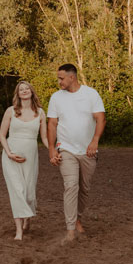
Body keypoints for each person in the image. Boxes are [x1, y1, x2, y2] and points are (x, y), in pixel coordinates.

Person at [47, 63, 106, 242]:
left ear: (72, 77)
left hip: (88, 151)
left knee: (84, 188)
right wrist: (51, 149)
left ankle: (78, 217)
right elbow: (52, 123)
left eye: (61, 78)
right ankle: (70, 228)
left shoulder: (91, 94)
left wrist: (95, 140)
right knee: (71, 185)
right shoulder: (56, 98)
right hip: (66, 149)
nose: (59, 81)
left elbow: (100, 119)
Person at [0, 80, 48, 241]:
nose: (24, 91)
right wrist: (9, 153)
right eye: (21, 89)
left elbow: (45, 138)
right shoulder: (11, 111)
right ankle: (18, 231)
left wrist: (53, 150)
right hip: (11, 157)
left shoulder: (40, 113)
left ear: (32, 92)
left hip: (30, 157)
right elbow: (1, 136)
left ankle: (28, 219)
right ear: (18, 94)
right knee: (17, 191)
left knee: (29, 193)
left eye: (27, 89)